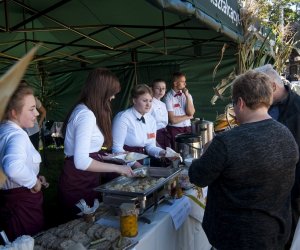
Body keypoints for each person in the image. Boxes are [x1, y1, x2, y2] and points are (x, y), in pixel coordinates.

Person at [188, 70, 299, 250]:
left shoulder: (226, 142)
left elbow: (197, 177)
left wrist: (206, 152)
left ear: (239, 103)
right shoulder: (287, 135)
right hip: (275, 232)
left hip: (235, 237)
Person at [58, 68, 134, 222]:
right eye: (112, 93)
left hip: (86, 177)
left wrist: (106, 156)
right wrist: (118, 168)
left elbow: (87, 149)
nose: (113, 97)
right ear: (101, 91)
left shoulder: (86, 110)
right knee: (79, 225)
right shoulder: (86, 115)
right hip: (78, 181)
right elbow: (81, 161)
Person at [255, 64, 300, 247]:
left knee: (288, 236)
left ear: (273, 86)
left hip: (292, 188)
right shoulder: (265, 105)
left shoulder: (298, 108)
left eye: (260, 90)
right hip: (268, 188)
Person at [0, 84, 49, 241]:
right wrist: (33, 182)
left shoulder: (5, 130)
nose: (36, 113)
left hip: (9, 199)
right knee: (28, 241)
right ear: (14, 112)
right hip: (21, 205)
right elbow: (13, 167)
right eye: (31, 109)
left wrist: (36, 175)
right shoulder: (17, 135)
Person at [112, 84, 168, 167]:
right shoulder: (123, 118)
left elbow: (150, 147)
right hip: (123, 164)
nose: (148, 104)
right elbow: (116, 149)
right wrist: (135, 164)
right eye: (144, 101)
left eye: (150, 101)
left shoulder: (151, 119)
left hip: (142, 161)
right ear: (134, 101)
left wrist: (164, 153)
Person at [163, 72, 195, 149]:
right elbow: (172, 120)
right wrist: (188, 117)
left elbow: (191, 112)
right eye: (183, 82)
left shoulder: (187, 95)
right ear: (175, 83)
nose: (185, 84)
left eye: (185, 81)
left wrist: (187, 96)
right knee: (177, 153)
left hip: (188, 128)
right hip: (174, 129)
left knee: (189, 152)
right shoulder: (168, 98)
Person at [21, 81, 47, 151]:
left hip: (33, 131)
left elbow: (44, 112)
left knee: (34, 151)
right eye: (21, 87)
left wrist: (39, 123)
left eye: (25, 87)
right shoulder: (15, 101)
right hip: (22, 130)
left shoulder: (34, 99)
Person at [150, 79, 171, 149]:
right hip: (155, 135)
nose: (161, 91)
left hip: (164, 133)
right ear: (152, 89)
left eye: (163, 88)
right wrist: (154, 141)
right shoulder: (150, 104)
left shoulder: (163, 104)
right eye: (157, 88)